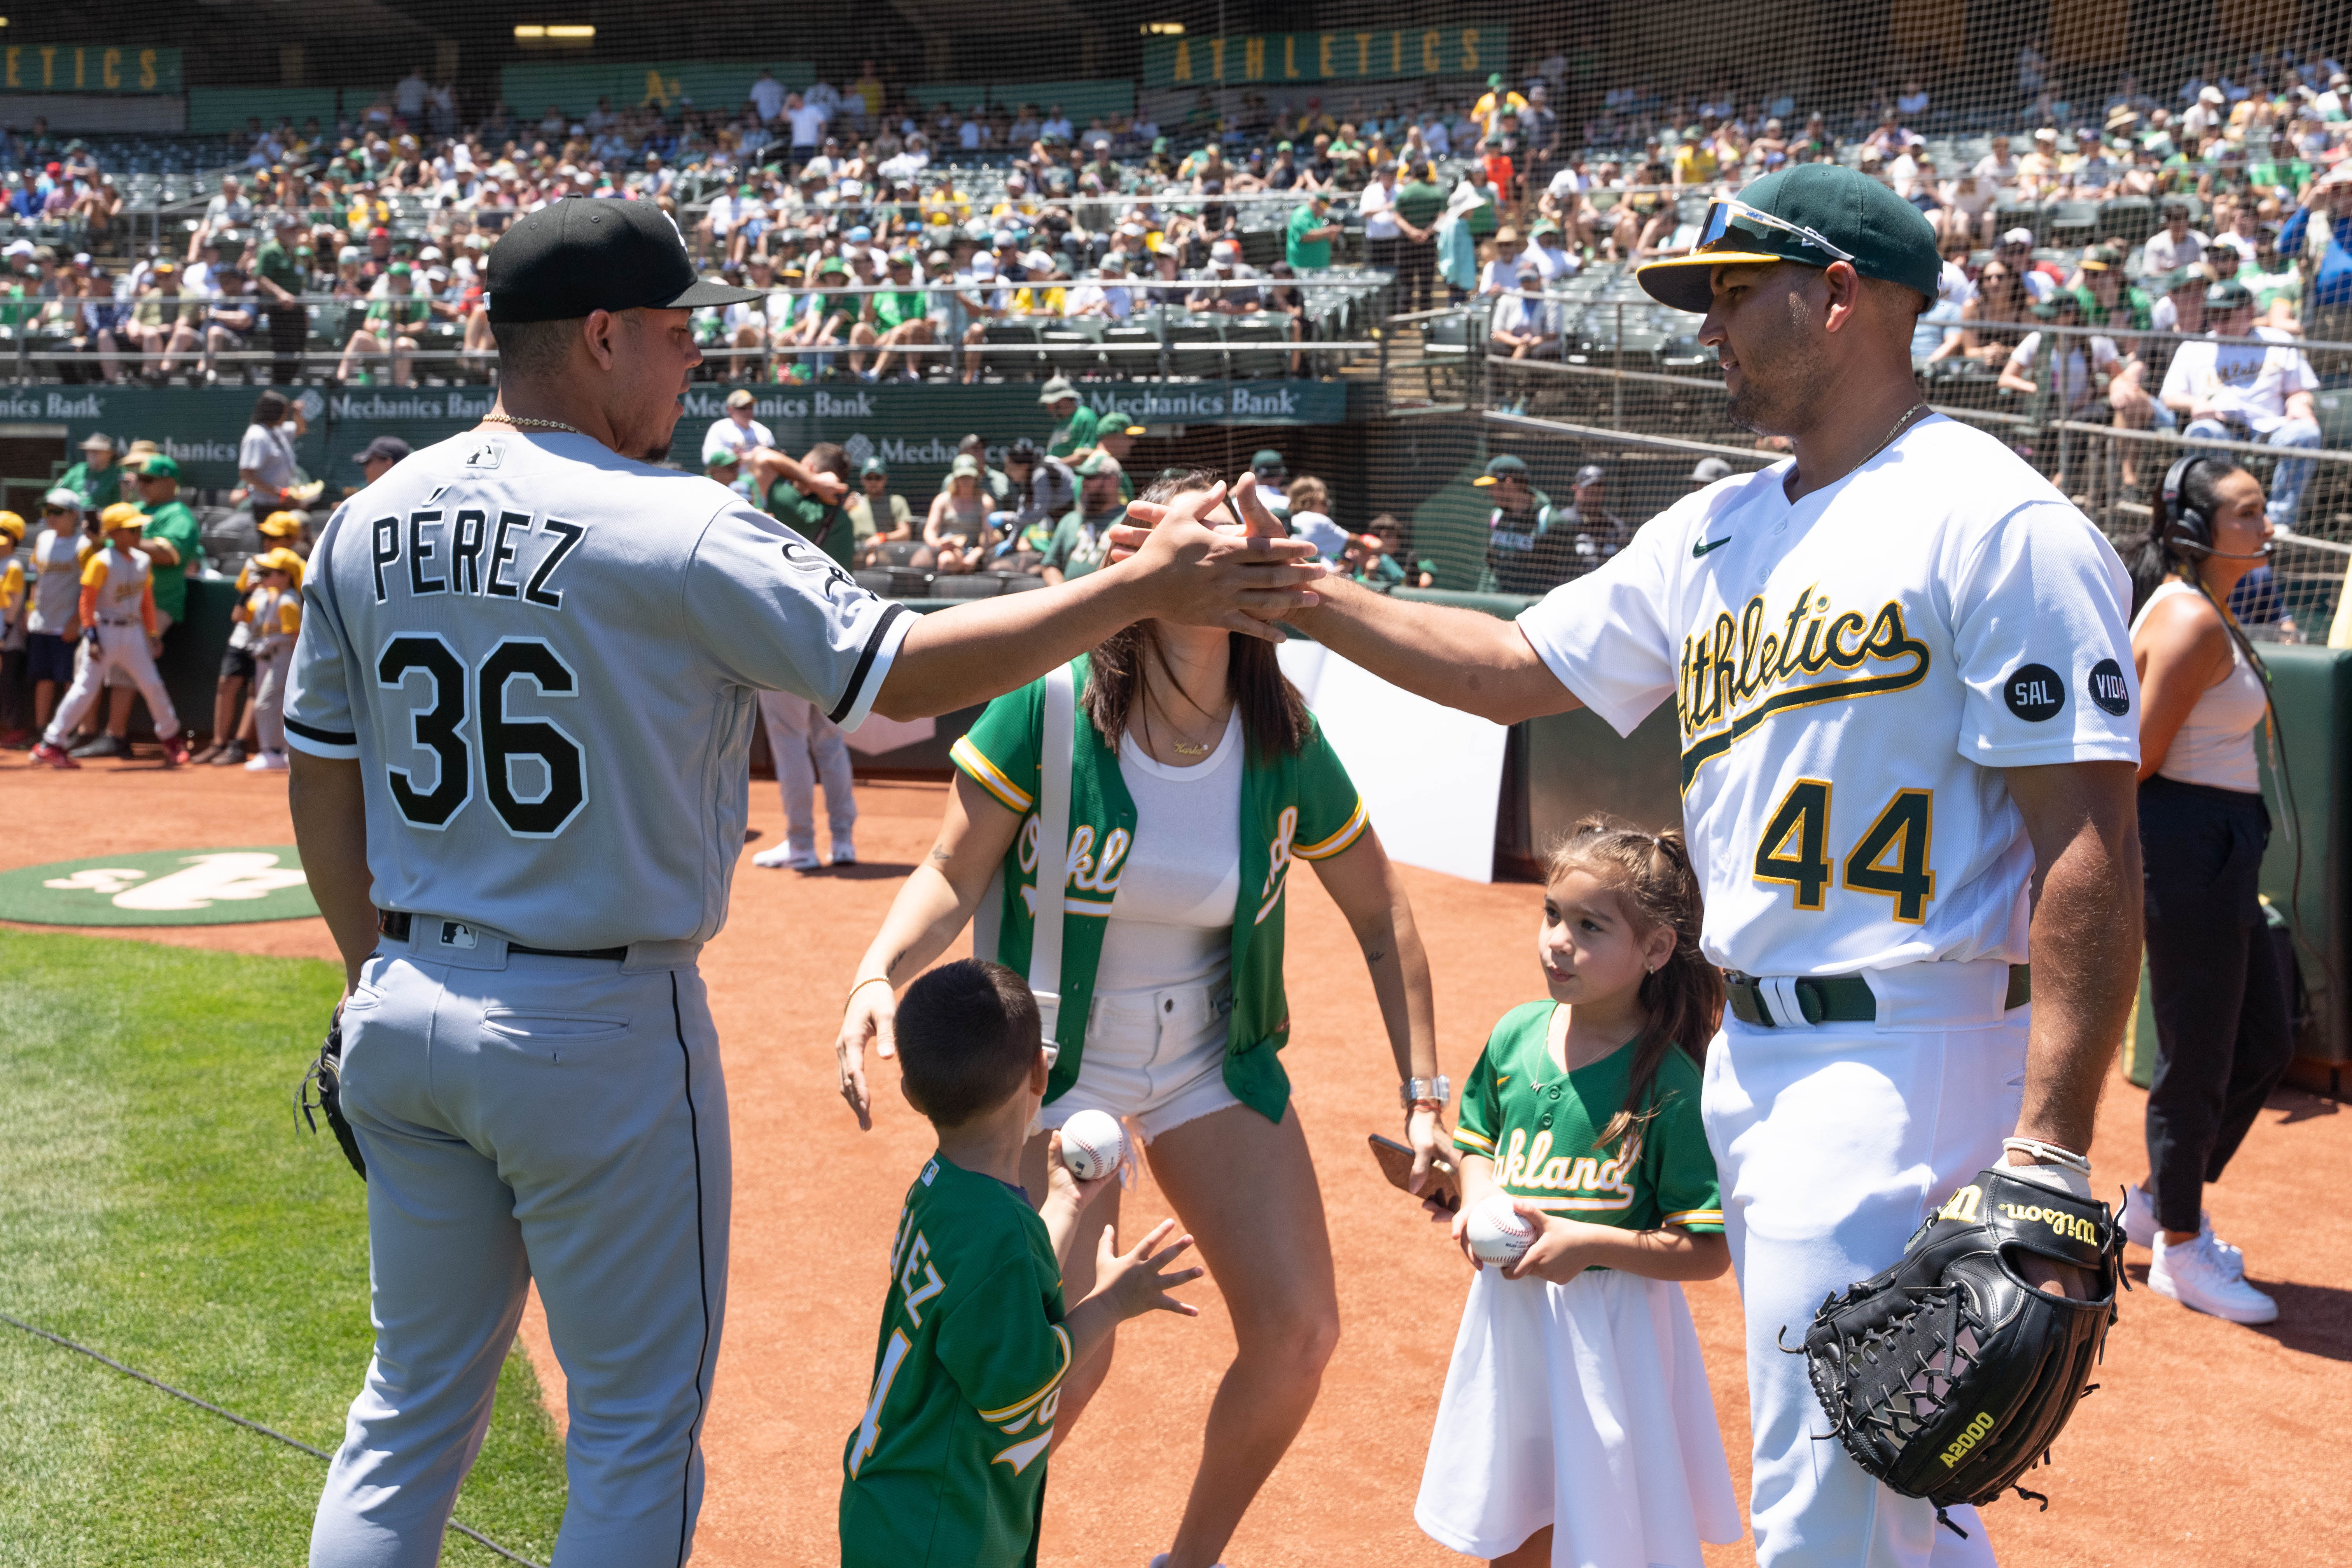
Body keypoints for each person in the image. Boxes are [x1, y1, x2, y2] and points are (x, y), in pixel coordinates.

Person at [1123, 163, 2144, 1567]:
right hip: (1756, 1049)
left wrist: (2046, 1142)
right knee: (1888, 1491)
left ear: (1838, 296)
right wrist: (1289, 590)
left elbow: (2086, 838)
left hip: (1902, 1041)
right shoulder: (1720, 527)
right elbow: (1504, 664)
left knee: (1826, 1508)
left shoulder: (1994, 522)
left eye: (1731, 293)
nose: (1705, 326)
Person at [284, 196, 1319, 1566]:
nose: (688, 364)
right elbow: (902, 671)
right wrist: (1126, 592)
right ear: (598, 337)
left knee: (406, 1415)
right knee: (634, 1430)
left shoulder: (366, 518)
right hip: (594, 1020)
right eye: (671, 334)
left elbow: (320, 779)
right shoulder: (676, 521)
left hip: (406, 1001)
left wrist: (373, 973)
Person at [835, 469, 1443, 1568]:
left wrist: (1426, 1093)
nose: (1230, 536)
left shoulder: (1278, 729)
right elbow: (947, 868)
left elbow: (1381, 912)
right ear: (1144, 555)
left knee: (1300, 1336)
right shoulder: (1053, 700)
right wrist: (878, 968)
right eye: (1202, 522)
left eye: (1239, 525)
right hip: (1050, 1072)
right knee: (1053, 1365)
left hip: (1212, 1053)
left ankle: (1188, 1560)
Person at [1415, 817, 1738, 1568]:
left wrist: (1587, 1241)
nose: (1558, 939)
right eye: (1552, 914)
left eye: (1589, 926)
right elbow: (1476, 1141)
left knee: (1607, 1525)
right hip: (1513, 1320)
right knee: (1517, 1504)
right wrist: (1477, 1199)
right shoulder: (1515, 1035)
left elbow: (1706, 1248)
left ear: (1656, 949)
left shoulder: (1670, 1084)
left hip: (1609, 1335)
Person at [836, 959, 1202, 1566]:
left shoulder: (945, 1190)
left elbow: (1004, 1295)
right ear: (1040, 1069)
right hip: (942, 1528)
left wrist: (1063, 1204)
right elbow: (1018, 1387)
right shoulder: (998, 1230)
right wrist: (1111, 1303)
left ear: (911, 1091)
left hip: (896, 1499)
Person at [2118, 456, 2291, 1325]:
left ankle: (2158, 1199)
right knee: (2199, 1050)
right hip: (2188, 848)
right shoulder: (2189, 622)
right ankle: (2179, 1251)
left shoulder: (2208, 610)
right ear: (2198, 529)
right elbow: (2137, 758)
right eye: (2249, 513)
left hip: (2219, 846)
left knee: (2264, 1032)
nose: (2267, 524)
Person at [30, 503, 189, 769]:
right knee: (85, 689)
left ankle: (171, 739)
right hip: (104, 631)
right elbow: (86, 602)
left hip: (134, 632)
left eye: (139, 527)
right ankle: (51, 743)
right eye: (131, 529)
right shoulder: (100, 561)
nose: (138, 532)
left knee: (152, 684)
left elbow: (147, 601)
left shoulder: (143, 560)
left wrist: (152, 634)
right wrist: (91, 638)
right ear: (114, 533)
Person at [2159, 279, 2322, 531]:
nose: (2217, 321)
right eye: (2212, 313)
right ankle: (2214, 520)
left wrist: (2299, 403)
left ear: (2248, 311)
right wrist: (2195, 403)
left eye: (2225, 314)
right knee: (2202, 432)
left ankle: (2279, 521)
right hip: (2222, 428)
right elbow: (2169, 396)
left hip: (2271, 430)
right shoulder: (2193, 348)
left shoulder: (2277, 340)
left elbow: (2299, 391)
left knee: (2306, 432)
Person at [23, 489, 85, 742]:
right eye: (48, 511)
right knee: (44, 679)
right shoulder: (43, 539)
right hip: (43, 622)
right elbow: (38, 578)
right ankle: (41, 731)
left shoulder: (83, 544)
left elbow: (87, 588)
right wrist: (29, 610)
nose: (51, 517)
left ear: (74, 515)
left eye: (58, 511)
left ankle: (65, 733)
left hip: (67, 624)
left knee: (69, 681)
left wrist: (76, 621)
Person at [238, 547, 304, 773]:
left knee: (266, 704)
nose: (263, 578)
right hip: (270, 657)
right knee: (276, 706)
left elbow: (296, 638)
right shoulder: (274, 599)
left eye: (269, 573)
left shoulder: (287, 602)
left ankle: (273, 752)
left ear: (286, 575)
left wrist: (299, 668)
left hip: (284, 657)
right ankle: (279, 753)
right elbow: (238, 618)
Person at [1473, 454, 1570, 595]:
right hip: (1494, 602)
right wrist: (1480, 598)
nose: (1490, 493)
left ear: (1509, 484)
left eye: (1492, 487)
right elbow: (1490, 566)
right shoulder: (1496, 516)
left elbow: (1562, 575)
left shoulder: (1550, 521)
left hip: (1528, 607)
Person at [1042, 454, 1125, 586]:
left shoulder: (1128, 520)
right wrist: (1062, 594)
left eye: (1091, 478)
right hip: (1067, 601)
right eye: (1083, 477)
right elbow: (1050, 564)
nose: (1084, 483)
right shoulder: (1071, 520)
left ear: (1112, 481)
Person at [925, 454, 997, 573]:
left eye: (969, 477)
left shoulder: (986, 502)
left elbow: (989, 536)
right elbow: (930, 531)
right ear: (955, 478)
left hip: (971, 549)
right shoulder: (942, 500)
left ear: (976, 478)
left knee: (946, 560)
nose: (966, 481)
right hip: (944, 548)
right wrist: (938, 544)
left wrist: (977, 553)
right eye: (962, 477)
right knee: (928, 561)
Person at [703, 387, 773, 467]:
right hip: (731, 478)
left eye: (751, 407)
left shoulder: (763, 431)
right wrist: (735, 456)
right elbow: (708, 459)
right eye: (743, 408)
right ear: (730, 410)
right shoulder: (719, 428)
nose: (748, 411)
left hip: (760, 477)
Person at [58, 431, 126, 512]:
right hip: (73, 518)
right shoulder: (78, 470)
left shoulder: (117, 473)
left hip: (104, 519)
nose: (91, 454)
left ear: (109, 454)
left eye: (97, 451)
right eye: (89, 451)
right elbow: (56, 492)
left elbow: (121, 504)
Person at [1039, 376, 1100, 460]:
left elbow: (1084, 457)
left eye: (1051, 402)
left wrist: (1054, 466)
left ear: (1065, 399)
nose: (1048, 407)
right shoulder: (1062, 421)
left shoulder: (1084, 416)